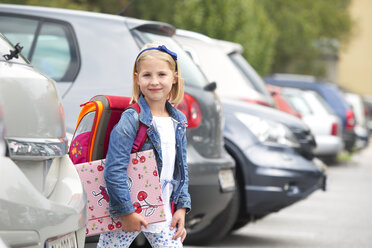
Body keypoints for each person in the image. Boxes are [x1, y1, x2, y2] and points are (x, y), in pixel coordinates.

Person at [98, 43, 191, 247]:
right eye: (147, 75)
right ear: (137, 78)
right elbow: (114, 169)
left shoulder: (179, 121)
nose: (154, 81)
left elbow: (181, 169)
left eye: (162, 74)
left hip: (165, 213)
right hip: (129, 211)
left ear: (174, 78)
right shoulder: (132, 119)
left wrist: (181, 208)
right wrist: (126, 212)